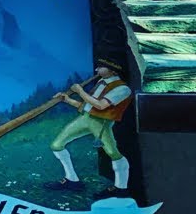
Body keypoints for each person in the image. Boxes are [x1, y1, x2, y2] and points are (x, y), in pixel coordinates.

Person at [43, 57, 132, 199]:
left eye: (100, 67)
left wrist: (80, 91)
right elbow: (88, 106)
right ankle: (72, 180)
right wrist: (67, 99)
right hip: (86, 118)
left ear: (112, 69)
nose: (96, 70)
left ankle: (121, 189)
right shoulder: (100, 83)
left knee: (113, 153)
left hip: (101, 123)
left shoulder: (122, 89)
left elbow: (100, 106)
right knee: (57, 145)